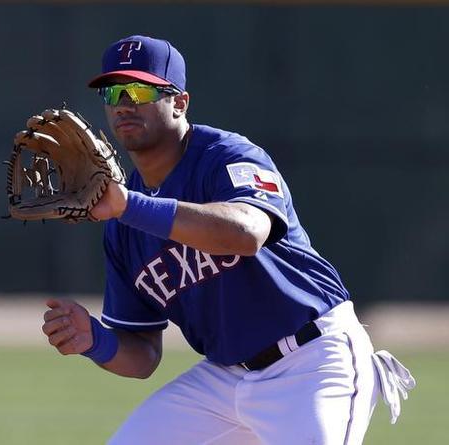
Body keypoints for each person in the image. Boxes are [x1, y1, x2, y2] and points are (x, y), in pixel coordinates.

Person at [41, 35, 415, 444]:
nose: (125, 102)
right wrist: (95, 340)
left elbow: (246, 233)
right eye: (113, 92)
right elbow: (143, 354)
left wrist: (129, 206)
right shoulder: (120, 221)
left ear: (180, 102)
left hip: (312, 361)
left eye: (141, 88)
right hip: (223, 379)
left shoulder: (225, 156)